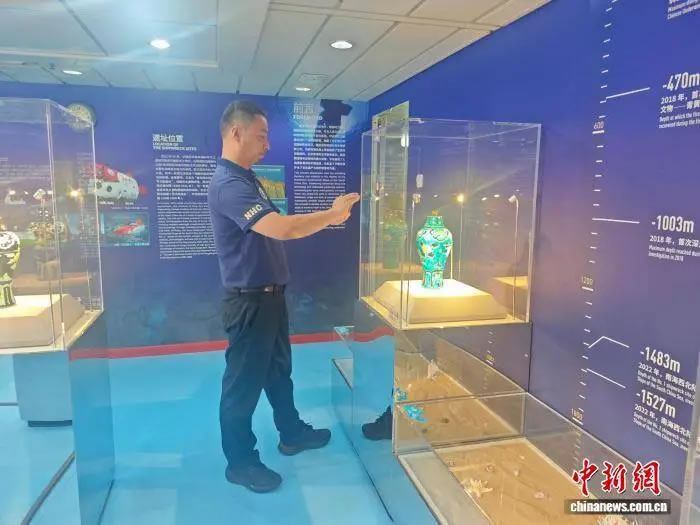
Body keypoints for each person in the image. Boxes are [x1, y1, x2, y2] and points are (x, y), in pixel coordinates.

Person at [207, 100, 360, 493]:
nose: (267, 145)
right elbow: (283, 229)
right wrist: (333, 215)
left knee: (278, 372)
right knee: (242, 386)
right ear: (236, 132)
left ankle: (291, 433)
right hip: (249, 303)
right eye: (261, 136)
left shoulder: (246, 179)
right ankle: (240, 463)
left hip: (269, 299)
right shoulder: (228, 186)